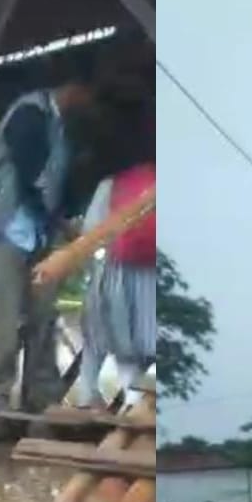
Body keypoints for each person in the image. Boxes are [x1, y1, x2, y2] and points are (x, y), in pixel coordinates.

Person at [0, 66, 97, 414]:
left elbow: (62, 186)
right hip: (4, 228)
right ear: (73, 87)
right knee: (6, 317)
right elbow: (30, 173)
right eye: (89, 97)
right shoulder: (29, 113)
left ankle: (43, 399)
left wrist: (69, 216)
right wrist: (65, 223)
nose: (90, 105)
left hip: (38, 234)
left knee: (44, 317)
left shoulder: (61, 130)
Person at [77, 159, 156, 409]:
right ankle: (126, 400)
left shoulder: (114, 183)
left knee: (103, 336)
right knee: (130, 340)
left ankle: (94, 395)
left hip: (120, 268)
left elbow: (90, 229)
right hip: (134, 271)